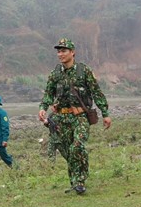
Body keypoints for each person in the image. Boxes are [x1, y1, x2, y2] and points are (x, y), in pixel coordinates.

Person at [38, 38, 112, 195]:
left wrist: (105, 113)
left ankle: (80, 181)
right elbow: (48, 94)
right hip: (60, 119)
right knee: (67, 151)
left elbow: (96, 92)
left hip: (79, 117)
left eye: (64, 51)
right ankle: (74, 180)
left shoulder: (84, 71)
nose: (60, 54)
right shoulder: (55, 73)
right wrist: (43, 108)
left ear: (73, 52)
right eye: (58, 51)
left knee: (77, 146)